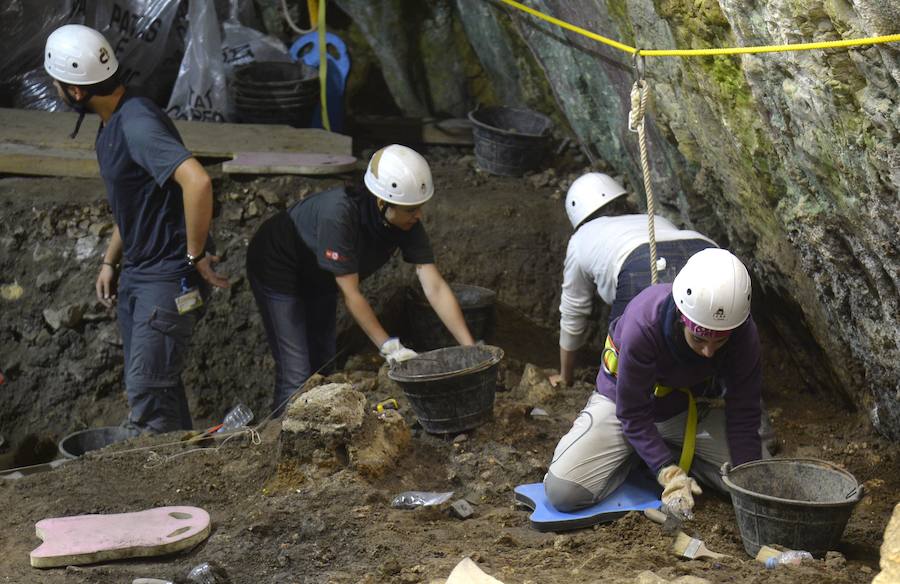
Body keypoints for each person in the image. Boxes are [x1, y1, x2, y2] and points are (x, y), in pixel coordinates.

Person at [44, 25, 229, 433]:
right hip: (140, 273)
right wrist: (110, 261)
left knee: (147, 400)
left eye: (57, 84)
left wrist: (194, 255)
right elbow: (137, 203)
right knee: (159, 390)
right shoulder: (112, 123)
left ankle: (162, 493)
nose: (56, 91)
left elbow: (197, 182)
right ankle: (182, 476)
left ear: (76, 91)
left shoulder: (136, 124)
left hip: (166, 280)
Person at [246, 144, 475, 414]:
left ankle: (317, 436)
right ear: (382, 202)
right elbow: (351, 295)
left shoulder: (404, 220)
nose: (419, 215)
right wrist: (390, 348)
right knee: (297, 373)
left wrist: (470, 349)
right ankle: (278, 440)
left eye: (419, 207)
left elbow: (433, 285)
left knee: (322, 366)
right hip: (277, 266)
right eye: (411, 209)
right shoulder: (339, 215)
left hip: (319, 275)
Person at [544, 248, 769, 519]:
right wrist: (668, 472)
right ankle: (641, 458)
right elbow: (632, 413)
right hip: (623, 406)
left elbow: (744, 413)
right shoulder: (644, 323)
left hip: (681, 412)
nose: (709, 351)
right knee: (564, 492)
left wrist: (750, 490)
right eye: (699, 339)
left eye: (719, 341)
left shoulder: (743, 333)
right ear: (681, 317)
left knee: (760, 482)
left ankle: (655, 454)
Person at [552, 173, 717, 387]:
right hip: (706, 251)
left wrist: (565, 376)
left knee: (623, 374)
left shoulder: (580, 238)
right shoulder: (653, 218)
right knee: (713, 333)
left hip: (643, 263)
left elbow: (573, 310)